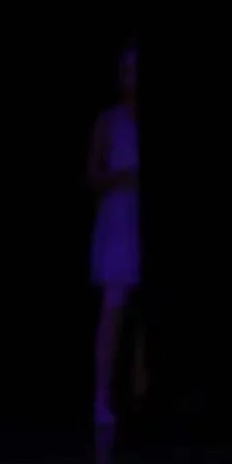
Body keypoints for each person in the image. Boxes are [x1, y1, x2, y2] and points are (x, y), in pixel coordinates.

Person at [87, 42, 141, 428]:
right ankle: (103, 395)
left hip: (139, 216)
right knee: (114, 312)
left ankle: (140, 391)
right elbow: (92, 175)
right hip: (120, 217)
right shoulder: (111, 120)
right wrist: (119, 178)